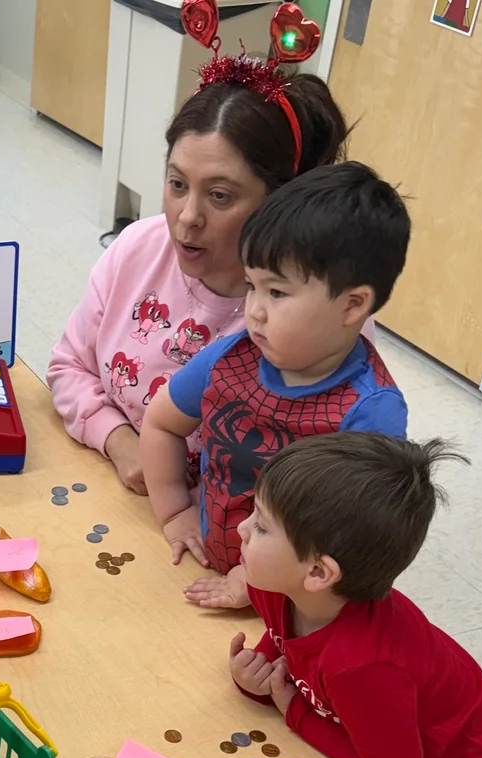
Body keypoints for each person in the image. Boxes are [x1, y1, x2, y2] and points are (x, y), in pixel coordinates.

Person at [48, 62, 349, 496]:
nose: (187, 218)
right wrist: (120, 442)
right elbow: (69, 365)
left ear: (278, 201)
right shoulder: (137, 247)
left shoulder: (317, 311)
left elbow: (312, 483)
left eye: (219, 195)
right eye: (176, 184)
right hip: (111, 492)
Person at [230, 433, 482, 758]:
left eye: (262, 527)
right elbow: (287, 648)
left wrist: (294, 711)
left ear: (319, 573)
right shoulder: (274, 590)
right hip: (403, 738)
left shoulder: (361, 668)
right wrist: (261, 677)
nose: (240, 528)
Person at [142, 161, 410, 610]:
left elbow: (354, 544)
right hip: (202, 568)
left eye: (277, 293)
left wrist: (255, 584)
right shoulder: (231, 355)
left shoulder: (370, 411)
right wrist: (174, 513)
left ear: (353, 304)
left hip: (293, 607)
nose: (255, 311)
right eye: (252, 287)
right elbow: (162, 423)